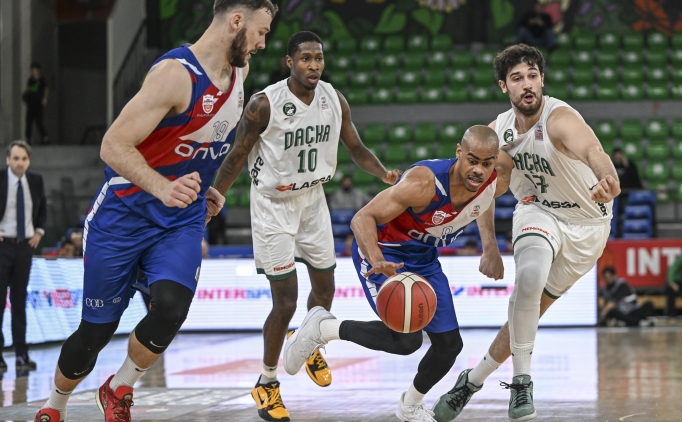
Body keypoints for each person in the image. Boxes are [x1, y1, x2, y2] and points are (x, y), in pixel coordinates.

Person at [33, 1, 277, 421]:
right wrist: (163, 186)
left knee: (171, 308)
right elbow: (112, 145)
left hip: (180, 217)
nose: (262, 43)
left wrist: (206, 185)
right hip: (124, 216)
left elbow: (202, 141)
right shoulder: (174, 75)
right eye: (261, 32)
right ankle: (55, 406)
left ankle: (119, 387)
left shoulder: (240, 73)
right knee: (95, 332)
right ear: (237, 21)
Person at [212, 30, 400, 421]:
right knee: (286, 302)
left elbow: (355, 147)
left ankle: (308, 341)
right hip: (273, 206)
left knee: (326, 288)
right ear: (289, 62)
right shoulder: (264, 104)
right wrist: (216, 196)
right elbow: (236, 155)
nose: (314, 65)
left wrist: (383, 173)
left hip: (313, 200)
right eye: (305, 59)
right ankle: (267, 382)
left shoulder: (334, 98)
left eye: (319, 58)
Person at [431, 44, 620, 422]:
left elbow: (592, 149)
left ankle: (472, 380)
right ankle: (522, 383)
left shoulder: (559, 118)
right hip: (538, 211)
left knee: (527, 312)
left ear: (542, 80)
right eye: (517, 78)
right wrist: (488, 246)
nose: (527, 84)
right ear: (504, 86)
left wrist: (608, 176)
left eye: (532, 76)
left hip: (588, 227)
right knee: (529, 279)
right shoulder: (498, 133)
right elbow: (486, 189)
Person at [284, 126, 511, 422]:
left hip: (424, 258)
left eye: (486, 163)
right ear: (458, 152)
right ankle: (323, 328)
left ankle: (410, 405)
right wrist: (378, 261)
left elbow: (485, 198)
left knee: (449, 345)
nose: (478, 170)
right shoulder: (423, 183)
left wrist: (490, 247)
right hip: (384, 251)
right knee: (406, 341)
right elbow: (362, 218)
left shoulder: (494, 179)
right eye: (472, 160)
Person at [0, 140, 46, 372]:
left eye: (24, 159)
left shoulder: (35, 181)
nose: (20, 163)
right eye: (16, 158)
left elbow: (43, 208)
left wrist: (39, 232)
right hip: (2, 246)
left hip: (24, 248)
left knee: (19, 302)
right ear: (8, 159)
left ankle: (21, 354)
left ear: (29, 161)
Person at [22, 63, 49, 144]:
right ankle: (29, 138)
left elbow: (46, 90)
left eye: (34, 70)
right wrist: (25, 94)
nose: (33, 72)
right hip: (31, 103)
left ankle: (44, 137)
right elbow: (29, 89)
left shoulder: (41, 80)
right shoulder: (30, 80)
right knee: (29, 121)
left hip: (38, 104)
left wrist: (45, 98)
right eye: (32, 70)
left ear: (38, 70)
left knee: (39, 121)